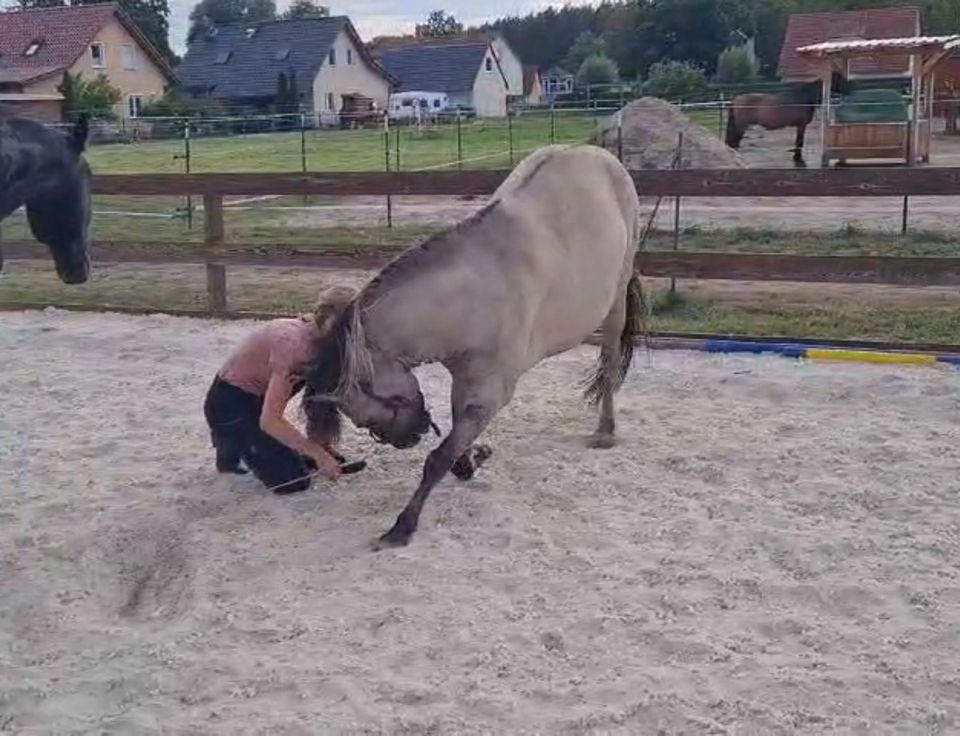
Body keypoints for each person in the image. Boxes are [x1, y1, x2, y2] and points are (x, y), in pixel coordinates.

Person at [203, 285, 364, 494]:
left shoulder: (319, 342)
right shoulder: (292, 344)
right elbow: (270, 420)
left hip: (256, 403)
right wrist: (318, 455)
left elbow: (317, 396)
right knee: (293, 482)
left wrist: (320, 445)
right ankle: (231, 441)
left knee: (295, 458)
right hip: (230, 405)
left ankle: (239, 444)